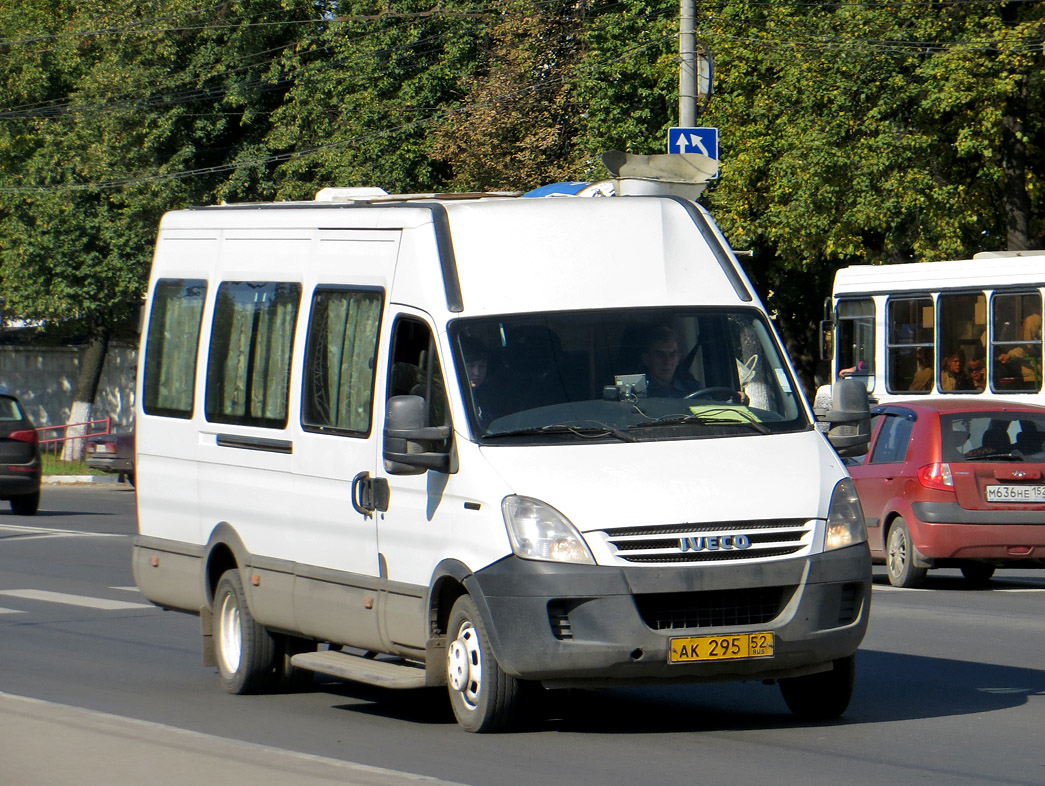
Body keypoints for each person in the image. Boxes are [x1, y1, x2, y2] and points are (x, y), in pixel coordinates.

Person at [640, 326, 696, 398]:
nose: (667, 361)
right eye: (660, 355)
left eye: (672, 355)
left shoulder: (692, 388)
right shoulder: (639, 393)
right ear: (647, 359)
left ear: (678, 358)